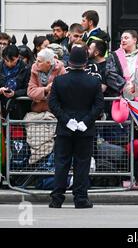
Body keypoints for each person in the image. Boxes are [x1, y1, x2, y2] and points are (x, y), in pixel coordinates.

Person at [48, 46, 104, 208]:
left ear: (69, 62)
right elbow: (98, 105)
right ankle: (80, 198)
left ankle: (57, 198)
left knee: (62, 163)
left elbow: (53, 103)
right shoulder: (94, 81)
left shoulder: (59, 81)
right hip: (85, 130)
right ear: (85, 62)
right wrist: (85, 121)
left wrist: (66, 120)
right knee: (82, 164)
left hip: (65, 129)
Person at [105, 30, 138, 100]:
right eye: (121, 38)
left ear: (134, 40)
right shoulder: (113, 56)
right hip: (120, 97)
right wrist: (124, 86)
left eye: (126, 38)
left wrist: (134, 86)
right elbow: (109, 74)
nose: (123, 40)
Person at [0, 44, 31, 119]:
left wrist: (15, 93)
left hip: (19, 107)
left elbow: (28, 88)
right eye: (6, 60)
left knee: (17, 129)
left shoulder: (26, 69)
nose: (9, 63)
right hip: (1, 107)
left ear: (18, 57)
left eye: (12, 60)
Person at [27, 48, 66, 113]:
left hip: (55, 111)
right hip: (37, 110)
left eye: (39, 61)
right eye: (36, 60)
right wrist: (45, 90)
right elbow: (30, 91)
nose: (36, 63)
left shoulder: (60, 69)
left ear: (48, 63)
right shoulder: (34, 68)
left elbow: (63, 93)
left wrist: (38, 96)